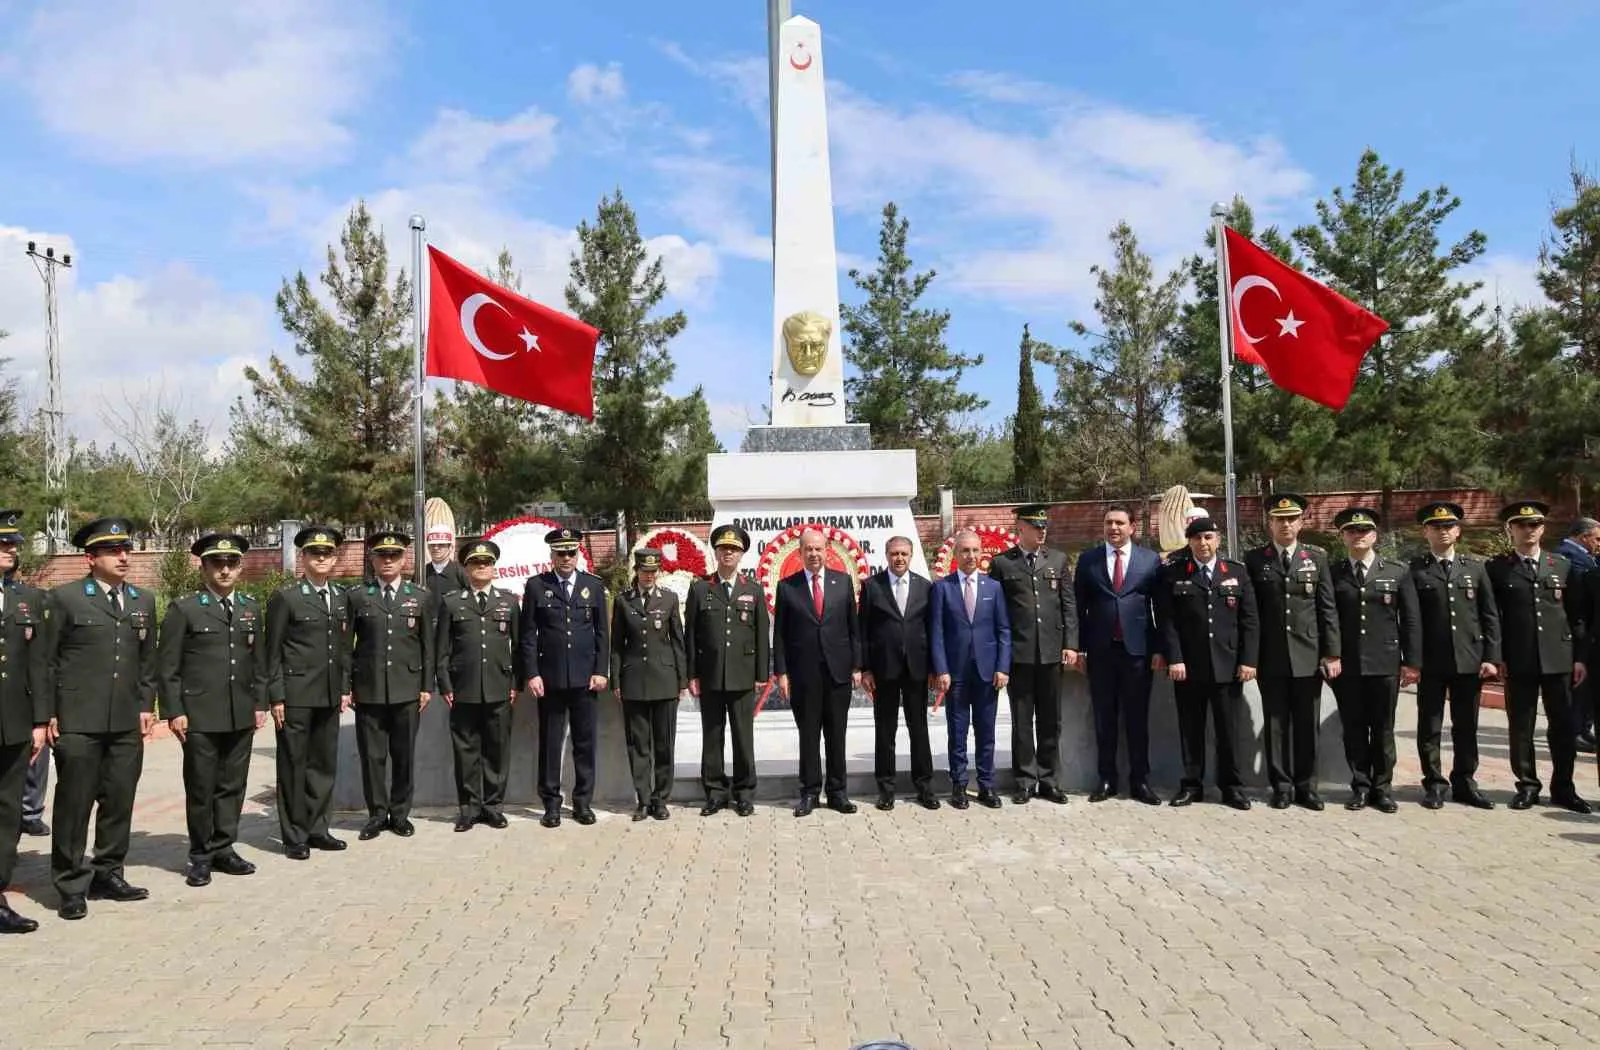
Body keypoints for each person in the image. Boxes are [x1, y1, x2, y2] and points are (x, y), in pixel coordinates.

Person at [44, 516, 158, 921]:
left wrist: (147, 706)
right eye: (113, 551)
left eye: (126, 549)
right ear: (90, 557)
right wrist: (49, 713)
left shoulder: (143, 601)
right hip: (79, 720)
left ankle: (108, 873)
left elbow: (148, 661)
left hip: (126, 720)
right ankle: (71, 884)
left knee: (119, 800)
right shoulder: (65, 599)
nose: (124, 557)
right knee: (75, 804)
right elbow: (48, 661)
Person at [157, 533, 268, 887]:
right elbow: (168, 666)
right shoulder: (185, 609)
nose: (224, 570)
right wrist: (174, 710)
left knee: (233, 786)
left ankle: (224, 847)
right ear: (203, 566)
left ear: (240, 567)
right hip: (200, 715)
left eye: (231, 563)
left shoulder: (250, 608)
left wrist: (260, 703)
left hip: (240, 713)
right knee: (202, 787)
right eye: (216, 563)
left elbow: (259, 663)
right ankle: (200, 855)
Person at [1487, 501, 1590, 813]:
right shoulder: (1497, 568)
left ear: (1543, 529)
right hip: (1519, 660)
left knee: (1562, 726)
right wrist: (1496, 656)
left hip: (1559, 659)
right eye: (1521, 525)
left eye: (1534, 524)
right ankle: (1528, 786)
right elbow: (1492, 617)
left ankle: (1564, 788)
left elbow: (1578, 616)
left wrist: (1580, 658)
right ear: (1510, 530)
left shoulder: (1562, 565)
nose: (1528, 530)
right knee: (1521, 727)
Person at [1244, 493, 1341, 811]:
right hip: (1271, 657)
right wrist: (1250, 657)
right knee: (1275, 724)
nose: (1285, 524)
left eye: (1291, 519)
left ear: (1301, 523)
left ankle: (1307, 787)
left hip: (1308, 656)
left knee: (1306, 725)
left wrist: (1332, 653)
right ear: (1269, 523)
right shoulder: (1255, 560)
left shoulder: (1317, 558)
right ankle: (1281, 786)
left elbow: (1327, 608)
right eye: (1279, 519)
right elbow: (1251, 613)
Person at [1155, 517, 1256, 810]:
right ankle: (1191, 785)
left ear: (1218, 540)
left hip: (1228, 666)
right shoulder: (1174, 573)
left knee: (1228, 731)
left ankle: (1232, 787)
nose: (1203, 543)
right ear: (1189, 541)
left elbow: (1250, 620)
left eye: (1209, 537)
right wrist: (1175, 658)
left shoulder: (1235, 572)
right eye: (1197, 538)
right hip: (1188, 667)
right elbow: (1168, 621)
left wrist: (1248, 660)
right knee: (1190, 730)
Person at [265, 525, 352, 859]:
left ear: (334, 558)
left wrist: (344, 687)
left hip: (329, 693)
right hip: (296, 695)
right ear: (303, 557)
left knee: (323, 765)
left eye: (327, 553)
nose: (321, 558)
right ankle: (294, 835)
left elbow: (344, 648)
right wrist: (276, 695)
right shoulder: (286, 598)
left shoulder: (341, 597)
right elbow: (272, 652)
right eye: (315, 553)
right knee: (293, 765)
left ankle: (318, 828)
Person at [1327, 509, 1421, 814]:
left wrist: (1412, 661)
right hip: (1348, 665)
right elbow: (1327, 617)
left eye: (1364, 530)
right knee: (1353, 728)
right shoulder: (1333, 572)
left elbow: (1410, 619)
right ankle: (1360, 786)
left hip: (1385, 662)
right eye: (1351, 531)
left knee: (1383, 729)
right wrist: (1329, 655)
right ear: (1342, 536)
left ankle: (1383, 789)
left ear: (1374, 535)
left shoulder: (1396, 570)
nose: (1358, 536)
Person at [1408, 501, 1498, 810]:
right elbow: (1411, 619)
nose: (1443, 531)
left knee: (1466, 725)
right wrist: (1412, 661)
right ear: (1425, 532)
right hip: (1431, 662)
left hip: (1469, 659)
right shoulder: (1415, 569)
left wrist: (1491, 657)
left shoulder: (1475, 568)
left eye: (1448, 526)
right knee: (1430, 725)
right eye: (1436, 527)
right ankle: (1433, 782)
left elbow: (1489, 615)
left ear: (1458, 531)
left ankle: (1465, 781)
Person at [346, 531, 435, 841]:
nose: (387, 561)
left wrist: (426, 686)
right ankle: (375, 815)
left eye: (394, 556)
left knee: (403, 755)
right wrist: (349, 686)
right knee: (372, 756)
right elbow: (346, 646)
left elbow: (428, 647)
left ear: (404, 560)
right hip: (368, 689)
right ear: (372, 560)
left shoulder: (420, 596)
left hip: (407, 689)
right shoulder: (358, 597)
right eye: (381, 556)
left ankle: (400, 815)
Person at [987, 504, 1078, 805]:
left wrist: (1071, 644)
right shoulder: (1003, 564)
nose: (1042, 532)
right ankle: (1025, 780)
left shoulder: (1058, 559)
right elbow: (996, 613)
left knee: (1051, 720)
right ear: (1021, 529)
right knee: (1022, 721)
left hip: (1052, 653)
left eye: (1044, 527)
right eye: (1036, 527)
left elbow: (1068, 606)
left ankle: (1050, 780)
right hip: (1019, 654)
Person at [520, 527, 609, 828]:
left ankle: (583, 802)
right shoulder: (536, 586)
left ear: (578, 554)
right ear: (552, 556)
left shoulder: (592, 586)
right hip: (550, 679)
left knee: (584, 743)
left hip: (586, 680)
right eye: (561, 553)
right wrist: (531, 673)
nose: (567, 558)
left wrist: (601, 670)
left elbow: (602, 634)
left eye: (571, 552)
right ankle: (551, 804)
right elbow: (528, 635)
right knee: (551, 742)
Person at [1074, 504, 1162, 805]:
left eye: (1120, 523)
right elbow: (1078, 609)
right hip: (1100, 652)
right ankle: (1107, 779)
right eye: (1109, 523)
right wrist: (1079, 648)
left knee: (1137, 719)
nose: (1114, 528)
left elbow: (1160, 609)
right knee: (1104, 719)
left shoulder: (1149, 560)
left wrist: (1161, 650)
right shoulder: (1088, 561)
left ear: (1132, 527)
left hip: (1138, 652)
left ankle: (1140, 780)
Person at [774, 527, 862, 817]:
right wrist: (782, 673)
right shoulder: (788, 586)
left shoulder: (843, 582)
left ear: (827, 551)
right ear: (799, 553)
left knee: (837, 736)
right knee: (809, 736)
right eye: (808, 549)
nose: (814, 554)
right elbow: (781, 636)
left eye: (818, 549)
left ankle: (838, 793)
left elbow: (853, 629)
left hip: (838, 673)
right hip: (804, 675)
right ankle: (810, 793)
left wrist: (857, 666)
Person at [435, 539, 520, 833]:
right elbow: (442, 650)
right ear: (467, 568)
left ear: (494, 568)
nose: (482, 567)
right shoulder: (452, 602)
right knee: (466, 751)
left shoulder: (508, 602)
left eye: (486, 563)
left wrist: (515, 683)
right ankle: (469, 809)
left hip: (499, 687)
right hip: (463, 689)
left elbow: (520, 648)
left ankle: (493, 807)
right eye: (475, 563)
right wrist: (445, 684)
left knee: (497, 750)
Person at [684, 526, 767, 817]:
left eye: (733, 549)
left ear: (741, 554)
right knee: (712, 736)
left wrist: (761, 674)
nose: (728, 553)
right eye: (723, 549)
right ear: (716, 553)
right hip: (710, 676)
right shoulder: (700, 588)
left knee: (744, 738)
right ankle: (716, 793)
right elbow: (690, 635)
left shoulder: (752, 589)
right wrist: (691, 675)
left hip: (743, 676)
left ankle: (744, 793)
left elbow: (760, 634)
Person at [930, 529, 1012, 810]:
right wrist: (941, 669)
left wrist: (1003, 667)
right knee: (958, 731)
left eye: (975, 551)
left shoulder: (993, 588)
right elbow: (937, 633)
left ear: (982, 553)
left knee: (987, 731)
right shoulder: (942, 588)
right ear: (955, 555)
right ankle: (959, 785)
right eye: (965, 551)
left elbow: (1003, 630)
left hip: (988, 673)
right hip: (955, 674)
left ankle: (987, 785)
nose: (971, 556)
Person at [859, 536, 938, 811]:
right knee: (885, 731)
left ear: (912, 554)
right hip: (884, 670)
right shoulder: (871, 586)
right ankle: (886, 788)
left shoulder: (925, 587)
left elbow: (932, 630)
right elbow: (863, 631)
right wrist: (865, 668)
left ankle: (925, 787)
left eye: (904, 553)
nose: (899, 558)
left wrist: (934, 668)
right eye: (894, 554)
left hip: (917, 670)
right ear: (886, 554)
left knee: (919, 730)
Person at [611, 548, 686, 821]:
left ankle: (661, 799)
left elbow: (678, 640)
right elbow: (617, 644)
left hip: (665, 679)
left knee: (664, 743)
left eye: (653, 571)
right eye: (644, 571)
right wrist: (616, 678)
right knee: (638, 744)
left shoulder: (669, 599)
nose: (649, 576)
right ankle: (643, 799)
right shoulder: (623, 601)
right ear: (637, 572)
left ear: (659, 572)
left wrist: (682, 678)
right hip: (634, 681)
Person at [0, 509, 47, 933]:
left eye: (13, 543)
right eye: (2, 543)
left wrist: (39, 722)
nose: (10, 549)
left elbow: (38, 666)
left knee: (7, 812)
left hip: (13, 725)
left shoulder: (27, 599)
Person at [1557, 517, 1599, 753]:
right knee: (1579, 686)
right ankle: (1575, 731)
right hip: (1577, 628)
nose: (1599, 543)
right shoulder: (1569, 557)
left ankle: (1581, 728)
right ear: (1583, 537)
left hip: (1587, 628)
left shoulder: (1585, 556)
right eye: (1597, 538)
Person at [423, 523, 470, 599]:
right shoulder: (422, 573)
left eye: (441, 544)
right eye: (432, 545)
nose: (436, 548)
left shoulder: (461, 573)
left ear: (450, 547)